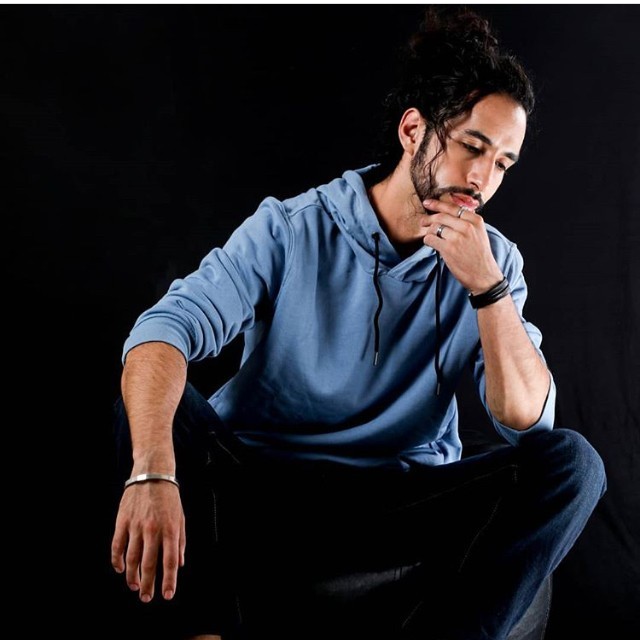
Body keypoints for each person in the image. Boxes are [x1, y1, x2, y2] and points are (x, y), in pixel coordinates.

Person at [111, 7, 606, 640]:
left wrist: (487, 289)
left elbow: (527, 422)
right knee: (150, 390)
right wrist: (153, 471)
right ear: (414, 130)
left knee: (573, 464)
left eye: (504, 163)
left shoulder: (494, 263)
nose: (482, 180)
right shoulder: (292, 228)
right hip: (265, 485)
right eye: (472, 147)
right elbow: (165, 329)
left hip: (396, 500)